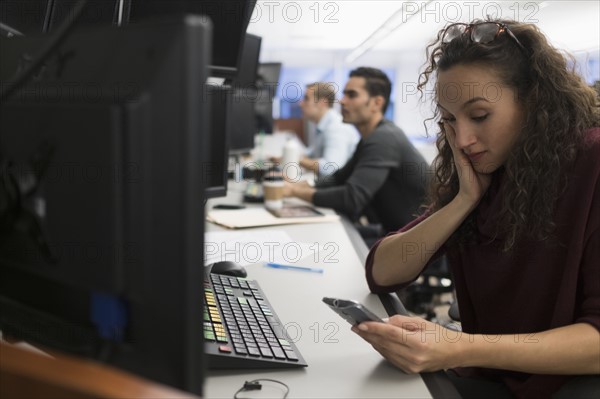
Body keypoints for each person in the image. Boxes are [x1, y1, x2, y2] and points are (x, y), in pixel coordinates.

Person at [352, 19, 600, 399]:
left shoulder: (591, 161)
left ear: (534, 100)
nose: (464, 139)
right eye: (450, 120)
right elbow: (381, 273)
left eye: (480, 115)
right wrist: (463, 201)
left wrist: (459, 347)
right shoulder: (489, 169)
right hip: (497, 375)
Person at [284, 67, 430, 243]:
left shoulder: (384, 139)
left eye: (351, 95)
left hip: (415, 243)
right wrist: (302, 186)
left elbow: (352, 198)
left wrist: (293, 192)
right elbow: (339, 178)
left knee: (327, 247)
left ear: (377, 103)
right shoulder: (370, 138)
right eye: (344, 94)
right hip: (394, 233)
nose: (342, 101)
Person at [298, 82, 359, 175]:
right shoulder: (324, 124)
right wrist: (288, 155)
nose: (301, 104)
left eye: (306, 99)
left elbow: (330, 168)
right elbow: (312, 152)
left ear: (322, 103)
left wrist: (296, 160)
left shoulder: (336, 127)